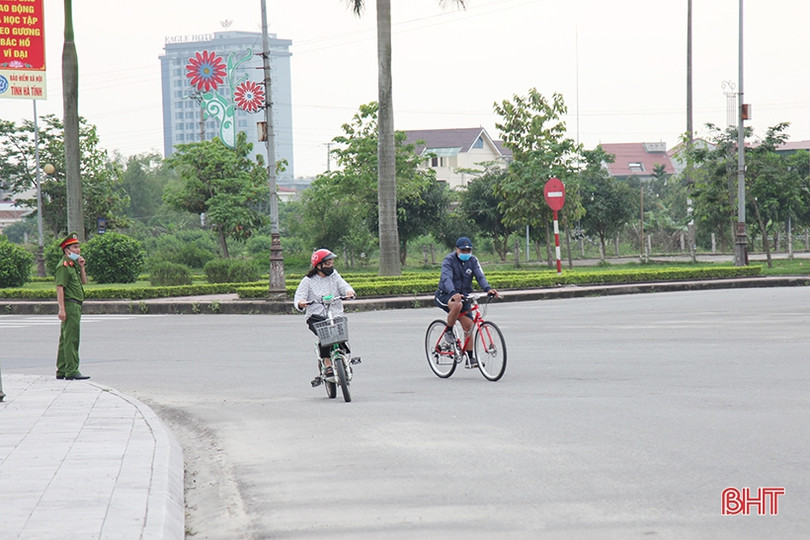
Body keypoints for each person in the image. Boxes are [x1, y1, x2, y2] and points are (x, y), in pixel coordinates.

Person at [434, 237, 499, 368]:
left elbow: (480, 276)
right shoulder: (449, 260)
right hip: (446, 294)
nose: (466, 253)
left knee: (469, 326)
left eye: (468, 250)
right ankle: (448, 331)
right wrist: (453, 292)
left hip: (464, 296)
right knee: (457, 305)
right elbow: (446, 278)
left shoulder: (473, 260)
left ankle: (470, 359)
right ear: (456, 249)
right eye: (463, 250)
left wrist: (488, 289)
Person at [294, 249, 356, 378]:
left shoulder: (335, 276)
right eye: (327, 264)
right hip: (316, 316)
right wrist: (301, 303)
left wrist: (349, 292)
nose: (331, 266)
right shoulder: (308, 281)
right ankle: (327, 363)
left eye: (332, 263)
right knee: (326, 333)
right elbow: (299, 297)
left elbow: (344, 286)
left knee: (339, 333)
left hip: (335, 313)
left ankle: (342, 357)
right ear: (318, 265)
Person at [54, 232, 90, 380]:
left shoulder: (72, 265)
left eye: (78, 247)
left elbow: (84, 281)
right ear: (67, 250)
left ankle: (62, 369)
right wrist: (61, 309)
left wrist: (82, 267)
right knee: (72, 338)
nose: (78, 250)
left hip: (75, 304)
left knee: (65, 338)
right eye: (75, 247)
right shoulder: (63, 266)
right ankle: (72, 370)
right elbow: (60, 287)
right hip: (70, 304)